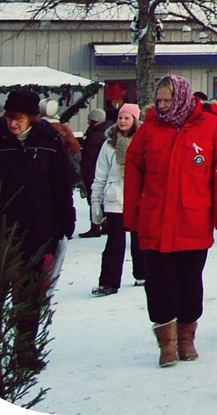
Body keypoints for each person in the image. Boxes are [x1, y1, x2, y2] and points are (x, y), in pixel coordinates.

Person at [123, 74, 217, 368]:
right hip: (155, 221)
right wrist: (131, 215)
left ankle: (186, 338)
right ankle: (166, 342)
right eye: (158, 100)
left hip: (193, 220)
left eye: (167, 100)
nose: (161, 106)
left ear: (182, 99)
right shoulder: (149, 129)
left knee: (190, 282)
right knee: (159, 283)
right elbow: (134, 171)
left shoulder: (211, 126)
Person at [0, 88, 76, 369]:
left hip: (36, 229)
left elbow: (61, 185)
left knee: (29, 293)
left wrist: (65, 221)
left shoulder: (49, 141)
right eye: (10, 117)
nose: (13, 124)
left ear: (33, 118)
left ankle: (25, 349)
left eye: (20, 118)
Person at [89, 103, 144, 295]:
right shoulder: (108, 144)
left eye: (127, 118)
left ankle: (143, 273)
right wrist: (96, 201)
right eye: (120, 117)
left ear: (134, 120)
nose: (122, 121)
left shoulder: (142, 141)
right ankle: (109, 282)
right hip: (115, 199)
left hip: (137, 197)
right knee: (114, 242)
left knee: (140, 240)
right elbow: (100, 174)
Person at [77, 108, 109, 237]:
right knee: (102, 200)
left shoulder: (94, 136)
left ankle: (95, 227)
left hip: (93, 173)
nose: (88, 122)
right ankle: (105, 225)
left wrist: (82, 174)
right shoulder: (107, 132)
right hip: (103, 172)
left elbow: (88, 158)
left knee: (93, 199)